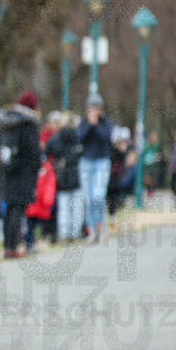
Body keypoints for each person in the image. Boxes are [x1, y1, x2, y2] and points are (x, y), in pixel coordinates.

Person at [0, 91, 41, 258]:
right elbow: (33, 151)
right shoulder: (29, 123)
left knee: (9, 208)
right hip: (23, 172)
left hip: (7, 171)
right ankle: (14, 247)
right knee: (18, 209)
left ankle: (7, 246)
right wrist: (36, 167)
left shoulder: (5, 121)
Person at [77, 92, 114, 243]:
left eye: (95, 107)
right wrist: (89, 125)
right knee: (88, 198)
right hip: (86, 162)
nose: (93, 110)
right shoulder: (83, 122)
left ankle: (101, 227)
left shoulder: (106, 122)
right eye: (90, 107)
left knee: (98, 196)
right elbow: (79, 137)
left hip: (101, 162)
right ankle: (92, 229)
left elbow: (107, 138)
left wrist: (96, 124)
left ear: (100, 109)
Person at [45, 112, 84, 242]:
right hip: (77, 176)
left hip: (61, 176)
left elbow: (47, 151)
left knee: (64, 208)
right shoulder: (78, 137)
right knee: (77, 207)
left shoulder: (55, 139)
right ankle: (75, 233)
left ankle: (64, 234)